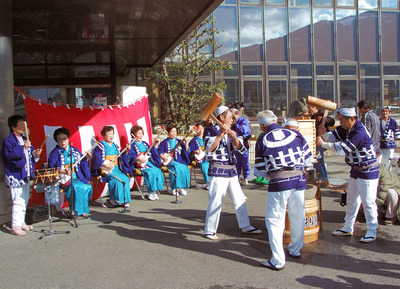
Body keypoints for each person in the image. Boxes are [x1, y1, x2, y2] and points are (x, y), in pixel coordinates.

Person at [253, 110, 314, 271]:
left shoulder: (262, 139)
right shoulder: (295, 134)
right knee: (297, 216)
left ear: (261, 125)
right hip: (299, 180)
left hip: (278, 183)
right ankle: (295, 250)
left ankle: (278, 259)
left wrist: (273, 175)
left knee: (274, 220)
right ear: (277, 120)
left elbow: (259, 170)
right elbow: (308, 159)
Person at [317, 106, 379, 243]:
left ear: (351, 119)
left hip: (368, 170)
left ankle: (372, 230)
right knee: (351, 200)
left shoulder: (359, 132)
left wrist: (323, 144)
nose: (340, 123)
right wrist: (325, 133)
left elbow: (344, 148)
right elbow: (333, 137)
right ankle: (348, 226)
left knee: (368, 202)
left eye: (342, 120)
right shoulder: (346, 128)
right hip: (356, 169)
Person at [203, 105, 262, 240]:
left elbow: (241, 149)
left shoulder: (233, 129)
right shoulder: (211, 130)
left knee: (239, 199)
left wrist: (234, 138)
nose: (232, 120)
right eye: (230, 117)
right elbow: (209, 150)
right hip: (218, 170)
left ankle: (245, 225)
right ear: (222, 117)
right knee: (216, 201)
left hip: (232, 171)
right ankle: (209, 230)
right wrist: (221, 134)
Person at [1, 115, 42, 236]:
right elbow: (9, 156)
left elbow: (30, 156)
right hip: (16, 175)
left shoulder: (25, 139)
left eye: (24, 125)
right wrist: (23, 148)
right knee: (18, 200)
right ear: (13, 127)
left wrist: (35, 153)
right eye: (20, 125)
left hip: (25, 174)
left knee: (24, 199)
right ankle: (15, 225)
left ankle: (21, 221)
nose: (24, 128)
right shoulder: (9, 141)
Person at [48, 128, 92, 217]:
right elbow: (51, 167)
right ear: (56, 141)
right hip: (64, 178)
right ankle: (74, 211)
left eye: (64, 139)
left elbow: (81, 161)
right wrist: (62, 171)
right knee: (75, 187)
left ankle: (81, 210)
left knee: (87, 187)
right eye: (60, 140)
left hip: (76, 175)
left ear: (68, 139)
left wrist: (86, 158)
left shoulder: (74, 150)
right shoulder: (55, 152)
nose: (63, 142)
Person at [91, 126, 131, 207]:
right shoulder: (100, 146)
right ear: (104, 135)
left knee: (125, 178)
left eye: (112, 134)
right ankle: (118, 199)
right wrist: (104, 164)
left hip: (116, 168)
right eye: (109, 134)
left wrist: (126, 151)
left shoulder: (115, 146)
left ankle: (121, 199)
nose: (111, 136)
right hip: (105, 170)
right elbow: (96, 159)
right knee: (118, 180)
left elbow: (121, 157)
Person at [127, 125, 164, 201]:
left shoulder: (144, 143)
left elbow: (151, 151)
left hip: (147, 162)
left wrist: (154, 145)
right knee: (150, 172)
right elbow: (129, 156)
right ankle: (150, 192)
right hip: (138, 164)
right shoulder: (132, 144)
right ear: (133, 134)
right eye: (138, 133)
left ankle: (155, 191)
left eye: (141, 133)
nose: (140, 135)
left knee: (157, 170)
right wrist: (137, 158)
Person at [158, 124, 190, 196]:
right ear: (168, 132)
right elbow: (159, 151)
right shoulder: (164, 142)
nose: (173, 133)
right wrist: (163, 156)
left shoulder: (179, 142)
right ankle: (173, 188)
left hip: (179, 160)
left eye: (175, 131)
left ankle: (181, 187)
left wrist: (186, 143)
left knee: (184, 167)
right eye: (172, 131)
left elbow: (186, 151)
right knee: (174, 168)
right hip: (169, 161)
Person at [308, 104, 335, 183]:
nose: (309, 109)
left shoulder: (321, 114)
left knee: (319, 159)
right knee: (316, 159)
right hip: (314, 139)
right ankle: (321, 177)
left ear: (315, 107)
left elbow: (332, 122)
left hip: (321, 138)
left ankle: (323, 178)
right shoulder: (312, 116)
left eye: (310, 107)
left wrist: (324, 119)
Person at [230, 108, 251, 185]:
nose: (232, 119)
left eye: (233, 116)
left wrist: (235, 125)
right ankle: (237, 177)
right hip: (234, 143)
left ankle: (245, 177)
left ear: (237, 114)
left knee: (244, 161)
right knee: (237, 161)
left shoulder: (244, 121)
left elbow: (244, 130)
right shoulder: (231, 122)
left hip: (243, 143)